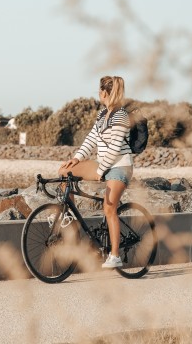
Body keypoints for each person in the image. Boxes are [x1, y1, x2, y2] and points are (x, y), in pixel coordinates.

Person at [58, 75, 133, 269]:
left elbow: (116, 147)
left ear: (105, 92)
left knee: (109, 208)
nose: (98, 94)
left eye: (99, 91)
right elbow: (91, 139)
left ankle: (115, 255)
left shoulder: (122, 115)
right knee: (65, 171)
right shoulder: (102, 114)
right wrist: (77, 158)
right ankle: (68, 215)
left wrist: (101, 170)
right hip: (103, 163)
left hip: (119, 166)